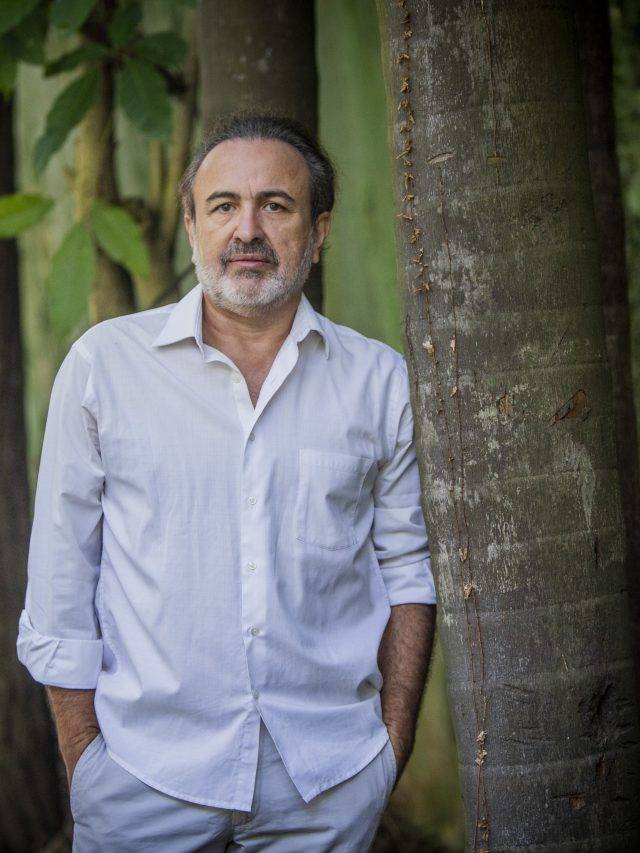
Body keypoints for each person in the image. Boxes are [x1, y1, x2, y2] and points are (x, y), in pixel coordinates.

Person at [16, 114, 437, 851]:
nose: (247, 229)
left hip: (328, 779)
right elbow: (61, 576)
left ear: (319, 230)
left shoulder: (378, 382)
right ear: (191, 227)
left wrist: (389, 749)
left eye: (276, 205)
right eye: (222, 206)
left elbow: (406, 569)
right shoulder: (104, 367)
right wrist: (87, 763)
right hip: (143, 776)